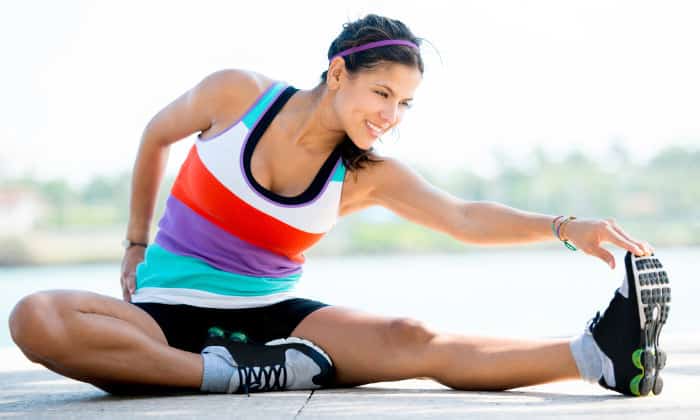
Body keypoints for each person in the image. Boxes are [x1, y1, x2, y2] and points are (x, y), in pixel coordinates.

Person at [9, 14, 670, 397]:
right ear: (337, 73)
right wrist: (133, 241)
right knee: (37, 316)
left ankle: (599, 358)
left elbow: (464, 217)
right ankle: (223, 376)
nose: (390, 115)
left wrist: (563, 227)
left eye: (404, 103)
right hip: (162, 316)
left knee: (413, 338)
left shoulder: (365, 176)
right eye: (381, 93)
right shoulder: (236, 95)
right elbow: (156, 134)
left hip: (273, 323)